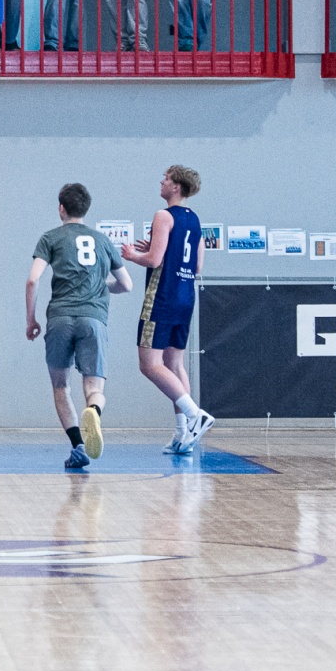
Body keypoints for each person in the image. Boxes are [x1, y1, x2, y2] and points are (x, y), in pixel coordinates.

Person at [26, 182, 130, 471]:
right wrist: (100, 286)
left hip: (59, 318)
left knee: (61, 387)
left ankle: (78, 447)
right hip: (93, 318)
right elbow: (126, 284)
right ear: (86, 209)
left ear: (61, 208)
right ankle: (94, 411)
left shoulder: (50, 238)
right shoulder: (103, 241)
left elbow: (33, 280)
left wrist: (31, 320)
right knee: (93, 386)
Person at [120, 165, 216, 454]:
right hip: (186, 296)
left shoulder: (163, 216)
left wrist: (132, 255)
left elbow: (154, 260)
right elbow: (197, 266)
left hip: (162, 297)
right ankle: (183, 435)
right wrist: (154, 251)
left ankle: (195, 414)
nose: (161, 182)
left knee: (149, 364)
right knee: (174, 365)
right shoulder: (194, 219)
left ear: (176, 186)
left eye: (166, 179)